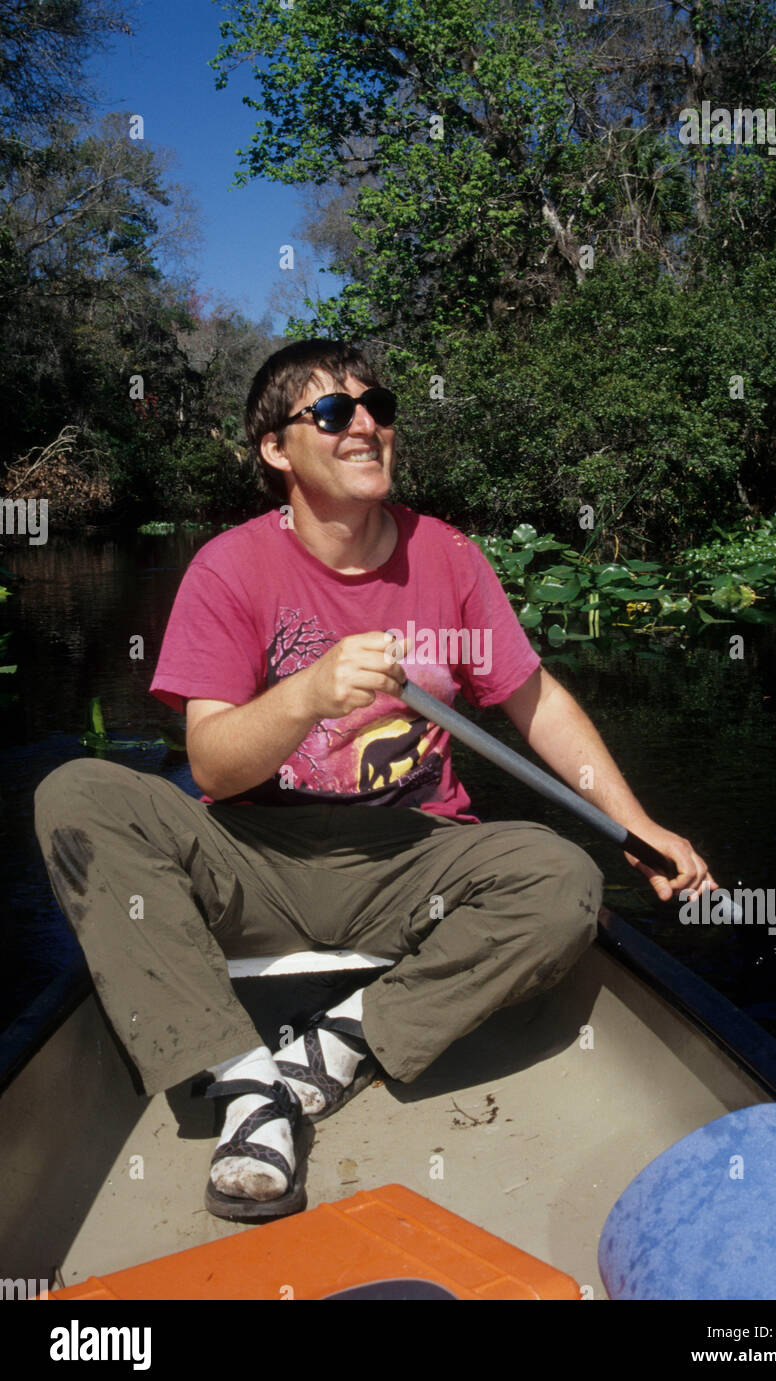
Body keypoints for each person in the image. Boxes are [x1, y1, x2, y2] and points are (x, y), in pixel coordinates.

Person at [34, 339, 714, 1223]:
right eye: (330, 412)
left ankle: (337, 1049)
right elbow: (212, 763)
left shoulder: (450, 559)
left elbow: (537, 704)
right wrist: (307, 694)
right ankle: (248, 1087)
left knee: (559, 881)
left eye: (376, 406)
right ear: (278, 449)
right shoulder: (231, 567)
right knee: (78, 796)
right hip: (256, 853)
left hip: (411, 857)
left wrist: (638, 827)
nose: (364, 425)